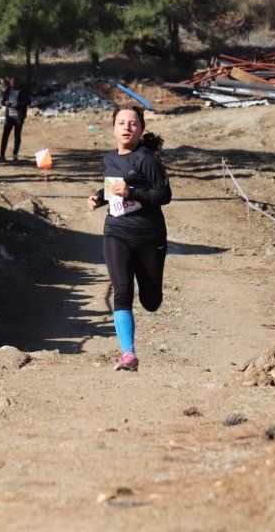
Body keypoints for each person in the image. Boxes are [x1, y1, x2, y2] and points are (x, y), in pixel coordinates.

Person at [88, 106, 171, 372]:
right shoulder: (109, 158)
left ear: (141, 129)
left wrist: (132, 192)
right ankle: (129, 354)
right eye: (121, 123)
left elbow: (164, 195)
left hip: (149, 236)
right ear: (113, 128)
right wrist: (99, 197)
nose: (127, 127)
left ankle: (147, 288)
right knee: (122, 291)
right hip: (117, 231)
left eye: (133, 124)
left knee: (151, 302)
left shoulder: (147, 160)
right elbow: (113, 187)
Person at [0, 76, 31, 163]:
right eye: (10, 83)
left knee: (17, 135)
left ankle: (15, 155)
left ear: (17, 82)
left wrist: (18, 104)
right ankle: (2, 155)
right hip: (9, 116)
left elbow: (28, 101)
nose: (12, 84)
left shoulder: (23, 90)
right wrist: (5, 102)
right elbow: (2, 101)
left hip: (19, 116)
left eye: (13, 83)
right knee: (5, 135)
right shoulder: (8, 90)